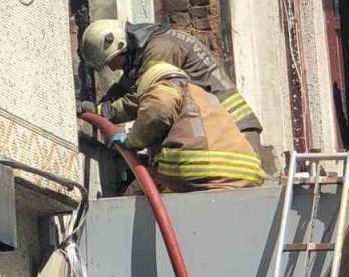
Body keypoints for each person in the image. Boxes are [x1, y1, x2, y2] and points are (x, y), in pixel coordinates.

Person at [77, 20, 264, 155]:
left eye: (111, 61)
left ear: (120, 45)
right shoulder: (148, 49)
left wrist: (103, 112)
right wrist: (97, 106)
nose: (112, 68)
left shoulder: (160, 49)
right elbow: (124, 87)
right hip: (221, 130)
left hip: (234, 132)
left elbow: (143, 99)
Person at [102, 61, 263, 192]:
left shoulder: (166, 87)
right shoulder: (205, 96)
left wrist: (131, 141)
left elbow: (156, 112)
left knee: (137, 191)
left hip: (201, 170)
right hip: (245, 173)